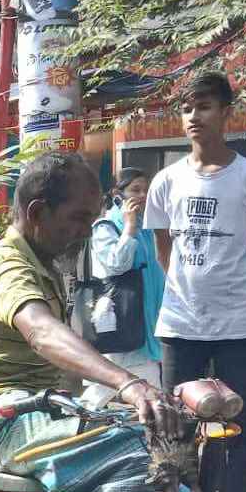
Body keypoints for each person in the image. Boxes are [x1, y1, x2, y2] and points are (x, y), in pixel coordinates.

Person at [0, 151, 194, 492]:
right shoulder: (6, 266)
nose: (86, 232)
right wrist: (126, 384)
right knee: (131, 450)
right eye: (78, 219)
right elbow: (42, 333)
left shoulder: (43, 265)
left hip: (36, 413)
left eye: (92, 220)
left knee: (167, 453)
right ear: (38, 212)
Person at [144, 71, 246, 492]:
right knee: (176, 429)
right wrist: (189, 284)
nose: (193, 116)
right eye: (186, 108)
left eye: (203, 106)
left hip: (239, 324)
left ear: (226, 113)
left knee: (241, 428)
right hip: (180, 325)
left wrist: (233, 281)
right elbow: (165, 250)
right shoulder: (165, 181)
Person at [82, 168, 164, 401]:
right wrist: (128, 229)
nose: (143, 196)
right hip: (121, 322)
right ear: (118, 194)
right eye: (135, 190)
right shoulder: (106, 227)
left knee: (148, 394)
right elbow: (117, 264)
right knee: (102, 393)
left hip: (147, 326)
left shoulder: (148, 228)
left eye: (146, 190)